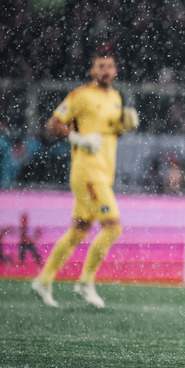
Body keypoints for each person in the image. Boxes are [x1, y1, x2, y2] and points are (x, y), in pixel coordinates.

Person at [31, 47, 140, 308]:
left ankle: (43, 280)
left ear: (115, 71)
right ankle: (86, 282)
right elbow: (53, 124)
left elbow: (113, 133)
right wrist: (76, 137)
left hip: (104, 172)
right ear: (92, 71)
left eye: (109, 66)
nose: (105, 70)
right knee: (112, 227)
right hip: (88, 172)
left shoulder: (116, 97)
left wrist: (125, 127)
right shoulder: (80, 96)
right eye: (100, 66)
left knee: (78, 232)